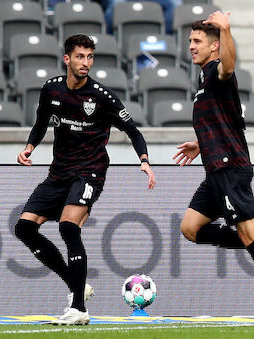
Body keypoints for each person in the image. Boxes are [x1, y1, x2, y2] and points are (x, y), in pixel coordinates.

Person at [15, 34, 155, 325]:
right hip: (59, 172)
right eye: (80, 56)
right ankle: (76, 285)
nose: (86, 63)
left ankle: (78, 308)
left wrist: (144, 161)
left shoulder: (102, 96)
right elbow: (41, 123)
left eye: (90, 57)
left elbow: (134, 131)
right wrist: (30, 146)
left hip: (90, 170)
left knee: (68, 226)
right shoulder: (51, 90)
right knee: (25, 228)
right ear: (67, 59)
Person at [173, 13, 254, 328]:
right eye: (190, 40)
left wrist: (227, 30)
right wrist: (201, 144)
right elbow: (227, 121)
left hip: (229, 168)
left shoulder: (218, 69)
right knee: (190, 228)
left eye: (197, 41)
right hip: (215, 169)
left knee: (248, 232)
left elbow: (230, 65)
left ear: (215, 47)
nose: (191, 46)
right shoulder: (203, 79)